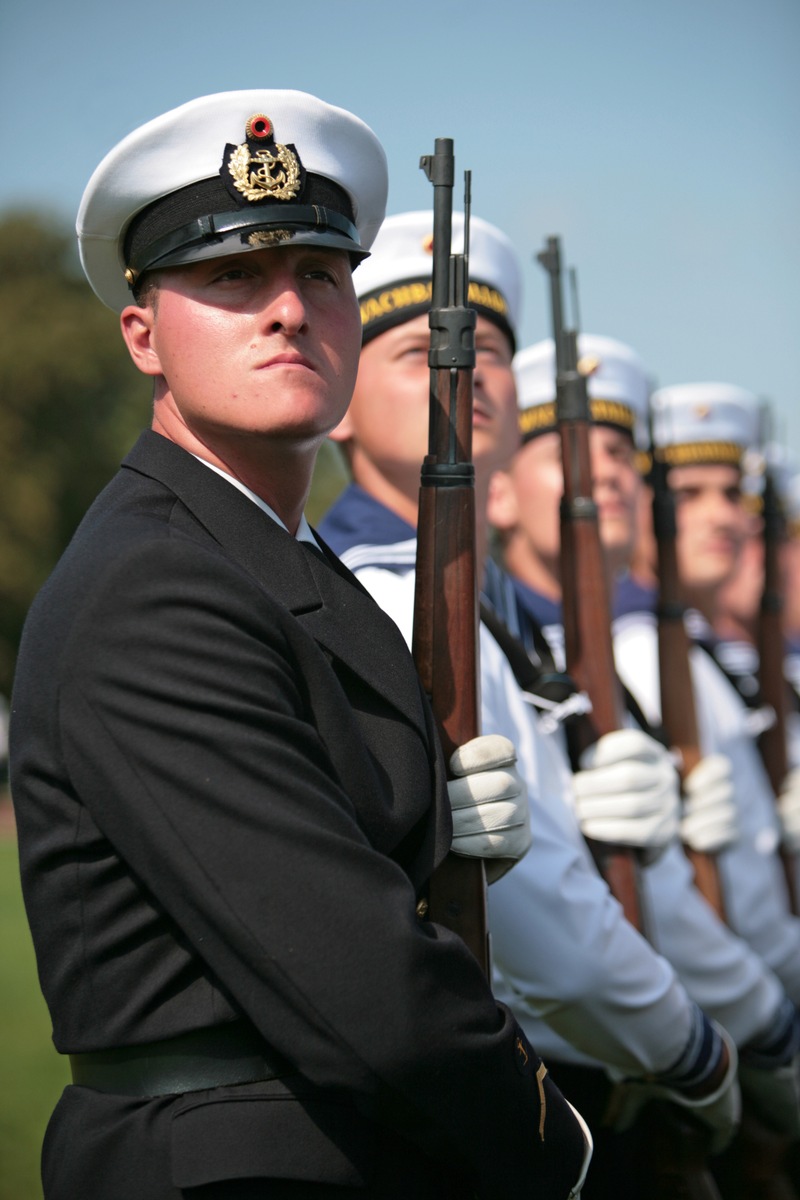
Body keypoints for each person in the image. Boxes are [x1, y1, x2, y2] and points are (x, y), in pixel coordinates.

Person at [8, 91, 592, 1200]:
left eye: (320, 276)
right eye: (232, 277)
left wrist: (430, 838)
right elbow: (358, 987)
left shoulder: (263, 556)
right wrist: (558, 1150)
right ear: (143, 335)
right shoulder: (159, 587)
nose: (286, 309)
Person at [320, 212, 759, 1197]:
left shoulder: (485, 607)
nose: (464, 371)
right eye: (418, 352)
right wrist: (710, 1054)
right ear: (336, 403)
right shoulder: (381, 597)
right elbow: (549, 934)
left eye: (488, 352)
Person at [483, 339, 800, 1175]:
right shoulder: (532, 656)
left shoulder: (635, 655)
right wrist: (761, 1036)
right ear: (503, 491)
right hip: (588, 1070)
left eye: (625, 455)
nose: (612, 477)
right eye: (580, 455)